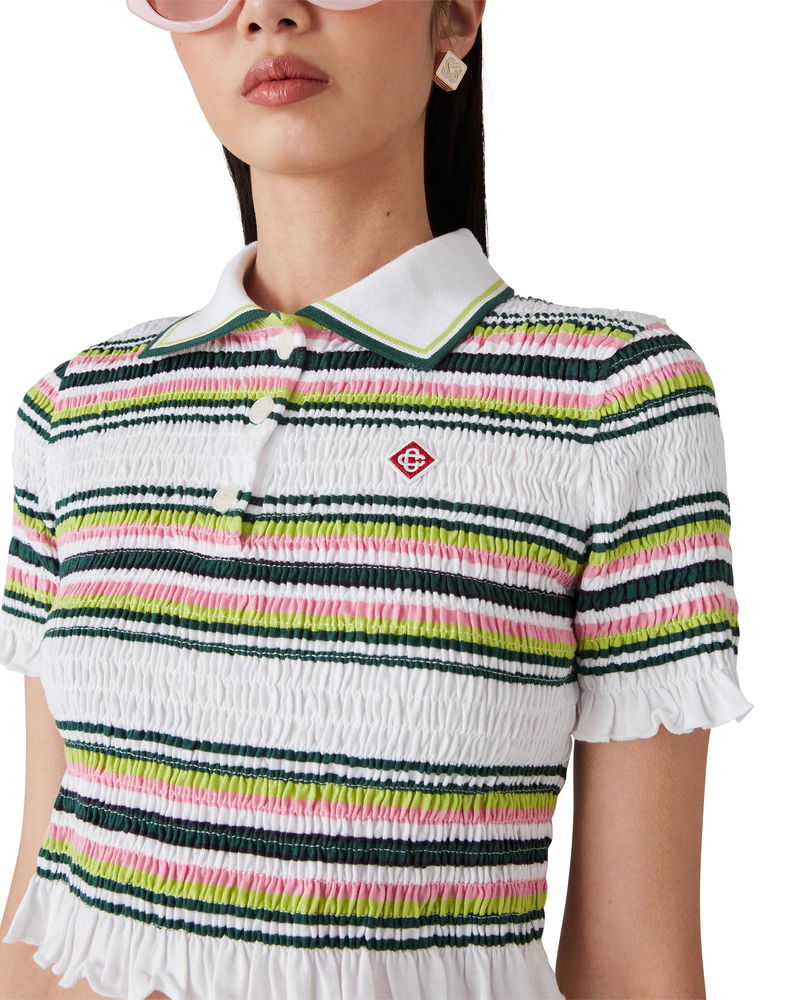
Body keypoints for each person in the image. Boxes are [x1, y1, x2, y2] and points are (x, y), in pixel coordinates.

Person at [0, 2, 754, 999]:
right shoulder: (76, 410)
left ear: (455, 19)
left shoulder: (607, 395)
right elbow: (42, 903)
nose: (267, 14)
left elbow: (633, 963)